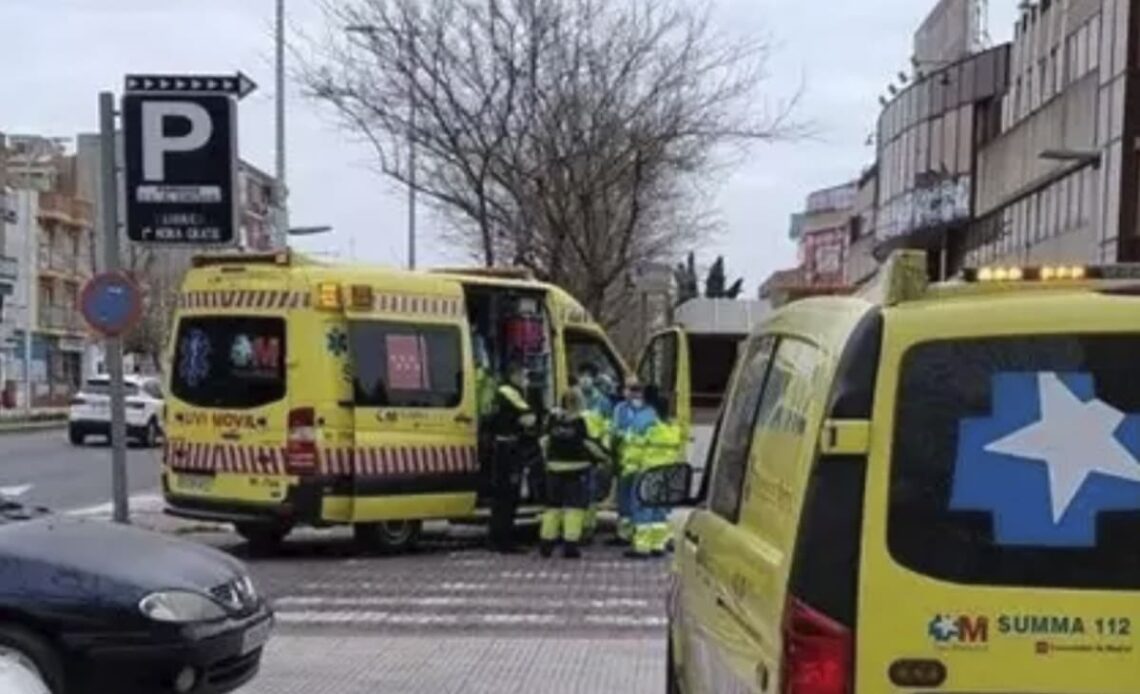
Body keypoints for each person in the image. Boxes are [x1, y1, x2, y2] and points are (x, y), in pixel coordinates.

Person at [539, 389, 610, 559]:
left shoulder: (552, 419)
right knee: (574, 509)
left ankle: (546, 544)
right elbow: (590, 444)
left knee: (553, 508)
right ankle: (570, 545)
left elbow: (544, 442)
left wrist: (547, 460)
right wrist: (604, 457)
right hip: (577, 470)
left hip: (554, 469)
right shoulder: (582, 420)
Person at [488, 361, 537, 553]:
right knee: (509, 496)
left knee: (500, 497)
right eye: (523, 376)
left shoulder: (497, 392)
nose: (525, 380)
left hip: (500, 447)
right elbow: (529, 415)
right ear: (514, 375)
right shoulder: (509, 392)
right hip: (509, 449)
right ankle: (505, 540)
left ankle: (495, 538)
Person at [628, 392, 684, 558]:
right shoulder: (674, 428)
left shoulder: (650, 427)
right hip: (667, 474)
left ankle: (642, 548)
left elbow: (635, 450)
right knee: (660, 510)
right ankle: (658, 545)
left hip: (648, 473)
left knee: (643, 508)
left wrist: (629, 468)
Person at [610, 378, 659, 546]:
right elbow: (615, 431)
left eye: (637, 390)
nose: (633, 393)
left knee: (639, 499)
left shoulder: (650, 411)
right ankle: (624, 534)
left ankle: (638, 535)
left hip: (644, 462)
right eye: (631, 389)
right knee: (624, 499)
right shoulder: (620, 409)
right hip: (625, 460)